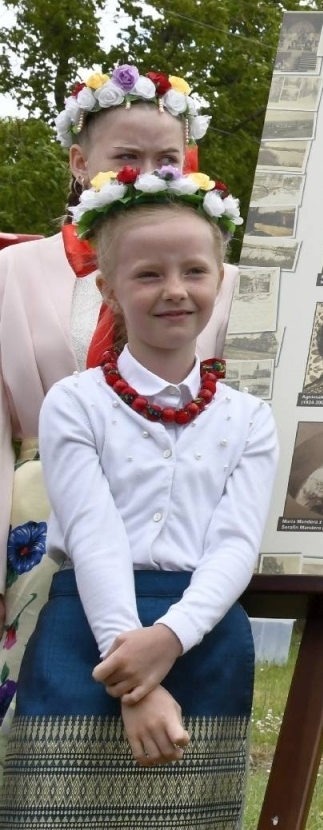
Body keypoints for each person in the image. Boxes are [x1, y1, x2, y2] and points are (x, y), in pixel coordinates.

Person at [0, 165, 273, 825]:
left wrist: (171, 639)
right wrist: (134, 672)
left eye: (194, 271)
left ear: (219, 277)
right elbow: (93, 535)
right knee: (56, 812)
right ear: (110, 290)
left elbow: (236, 543)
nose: (175, 290)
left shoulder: (247, 417)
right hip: (87, 629)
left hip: (203, 634)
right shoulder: (76, 403)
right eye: (148, 274)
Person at [0, 64, 234, 740]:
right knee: (40, 704)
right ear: (79, 161)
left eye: (168, 159)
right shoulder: (13, 272)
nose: (151, 174)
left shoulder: (225, 284)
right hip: (39, 517)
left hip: (173, 513)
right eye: (126, 158)